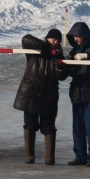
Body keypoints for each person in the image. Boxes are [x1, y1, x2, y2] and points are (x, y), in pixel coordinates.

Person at [56, 22, 90, 167]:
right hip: (78, 93)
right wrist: (62, 66)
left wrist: (87, 56)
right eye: (74, 37)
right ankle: (80, 156)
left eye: (78, 37)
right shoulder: (74, 52)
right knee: (78, 126)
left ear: (85, 35)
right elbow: (69, 73)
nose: (76, 40)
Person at [13, 28, 63, 164]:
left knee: (48, 125)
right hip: (31, 93)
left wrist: (61, 66)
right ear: (47, 38)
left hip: (49, 95)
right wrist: (41, 46)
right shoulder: (34, 51)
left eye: (58, 40)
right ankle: (29, 155)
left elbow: (62, 76)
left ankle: (49, 157)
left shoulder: (58, 54)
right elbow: (25, 38)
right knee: (30, 124)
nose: (55, 42)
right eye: (53, 39)